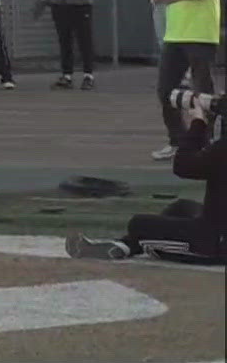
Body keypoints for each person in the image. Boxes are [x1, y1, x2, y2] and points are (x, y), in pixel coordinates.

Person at [69, 93, 223, 264]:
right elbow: (209, 159)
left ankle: (132, 243)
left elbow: (182, 165)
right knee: (181, 208)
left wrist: (198, 123)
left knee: (138, 224)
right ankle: (123, 246)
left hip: (215, 245)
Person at [152, 0, 220, 160]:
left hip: (201, 34)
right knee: (165, 90)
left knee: (203, 91)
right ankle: (178, 140)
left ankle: (207, 140)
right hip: (174, 35)